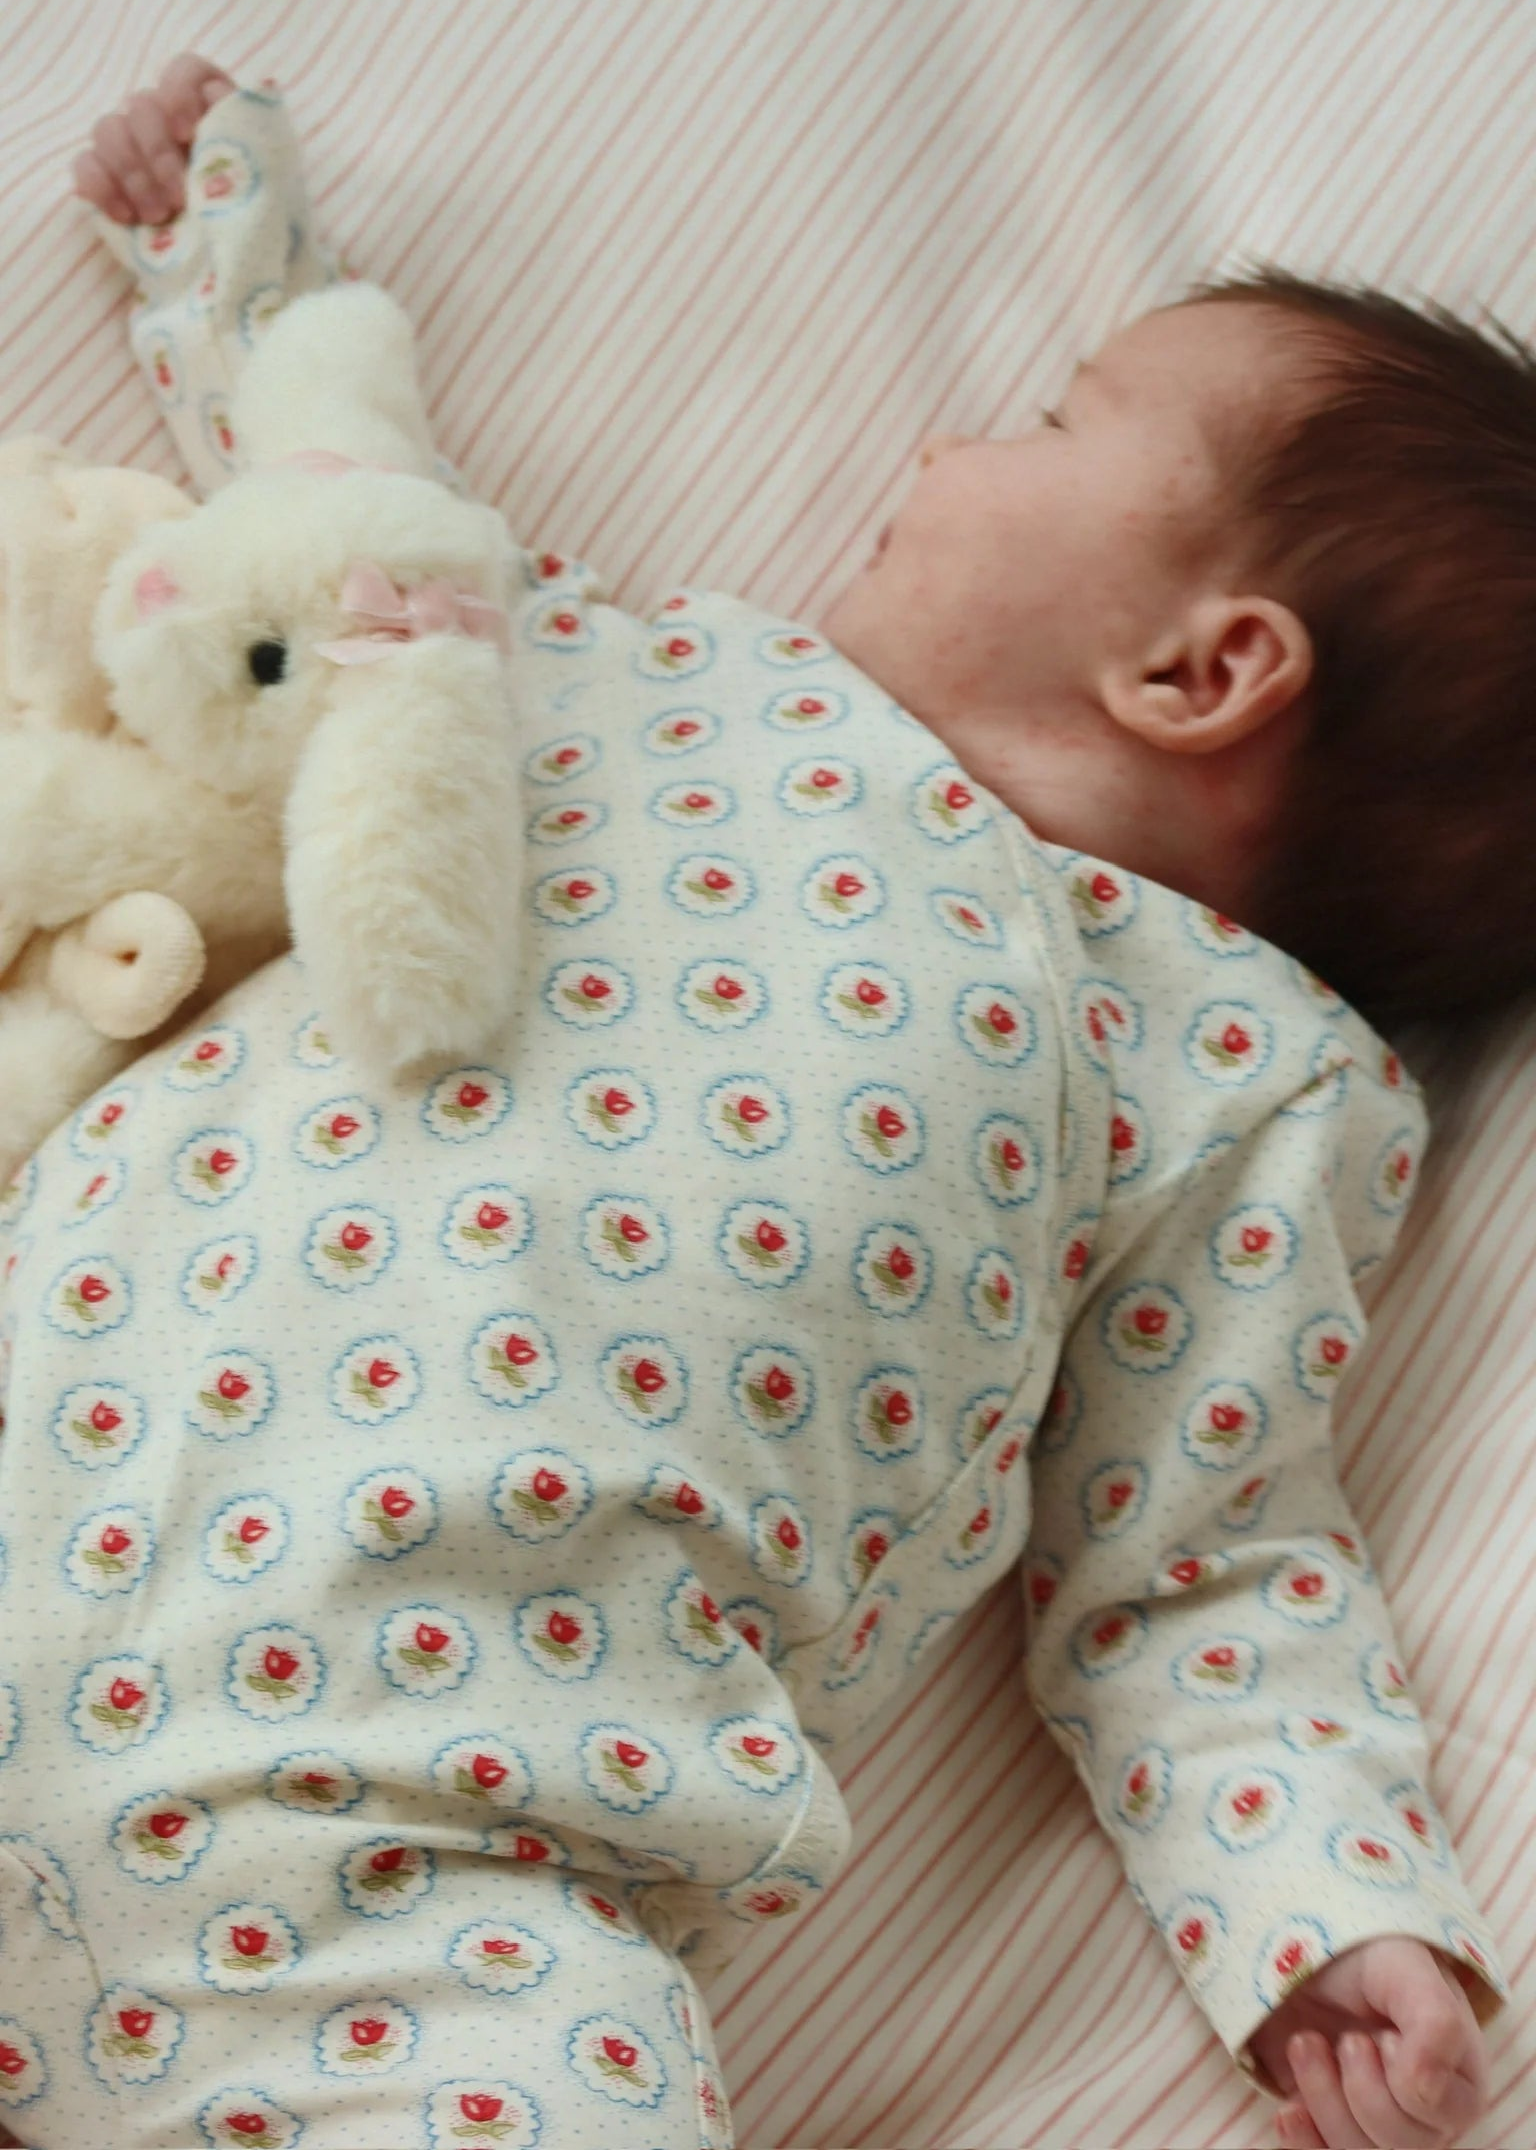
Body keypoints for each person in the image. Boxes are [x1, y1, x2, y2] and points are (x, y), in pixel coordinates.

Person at [0, 48, 1514, 2151]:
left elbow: (1201, 1555)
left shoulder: (1237, 1069)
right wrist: (224, 259)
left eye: (1047, 424)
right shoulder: (649, 671)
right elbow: (346, 535)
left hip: (423, 1848)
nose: (941, 444)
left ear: (1200, 670)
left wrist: (1327, 1907)